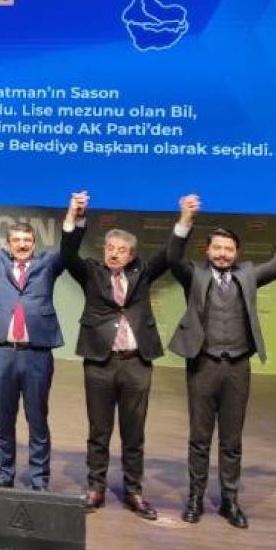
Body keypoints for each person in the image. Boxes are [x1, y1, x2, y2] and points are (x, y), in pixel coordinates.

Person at [167, 194, 276, 528]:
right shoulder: (194, 275)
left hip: (238, 367)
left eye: (228, 249)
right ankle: (196, 497)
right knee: (200, 438)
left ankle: (230, 500)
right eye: (217, 248)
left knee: (231, 440)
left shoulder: (248, 275)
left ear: (237, 253)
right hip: (203, 365)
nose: (223, 254)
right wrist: (185, 219)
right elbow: (172, 257)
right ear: (207, 251)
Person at [61, 191, 168, 519]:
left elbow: (170, 254)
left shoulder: (142, 274)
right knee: (99, 431)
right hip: (100, 363)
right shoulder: (92, 273)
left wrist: (185, 221)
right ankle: (96, 488)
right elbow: (67, 254)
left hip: (136, 363)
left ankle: (134, 491)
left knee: (134, 433)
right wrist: (75, 216)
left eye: (121, 250)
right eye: (110, 247)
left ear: (132, 255)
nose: (114, 253)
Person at [0, 185, 67, 492]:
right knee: (3, 420)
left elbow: (70, 245)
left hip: (37, 354)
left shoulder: (47, 265)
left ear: (34, 244)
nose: (22, 245)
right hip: (2, 353)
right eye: (16, 240)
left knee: (38, 419)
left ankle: (39, 479)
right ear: (8, 244)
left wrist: (75, 216)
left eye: (27, 240)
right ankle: (4, 475)